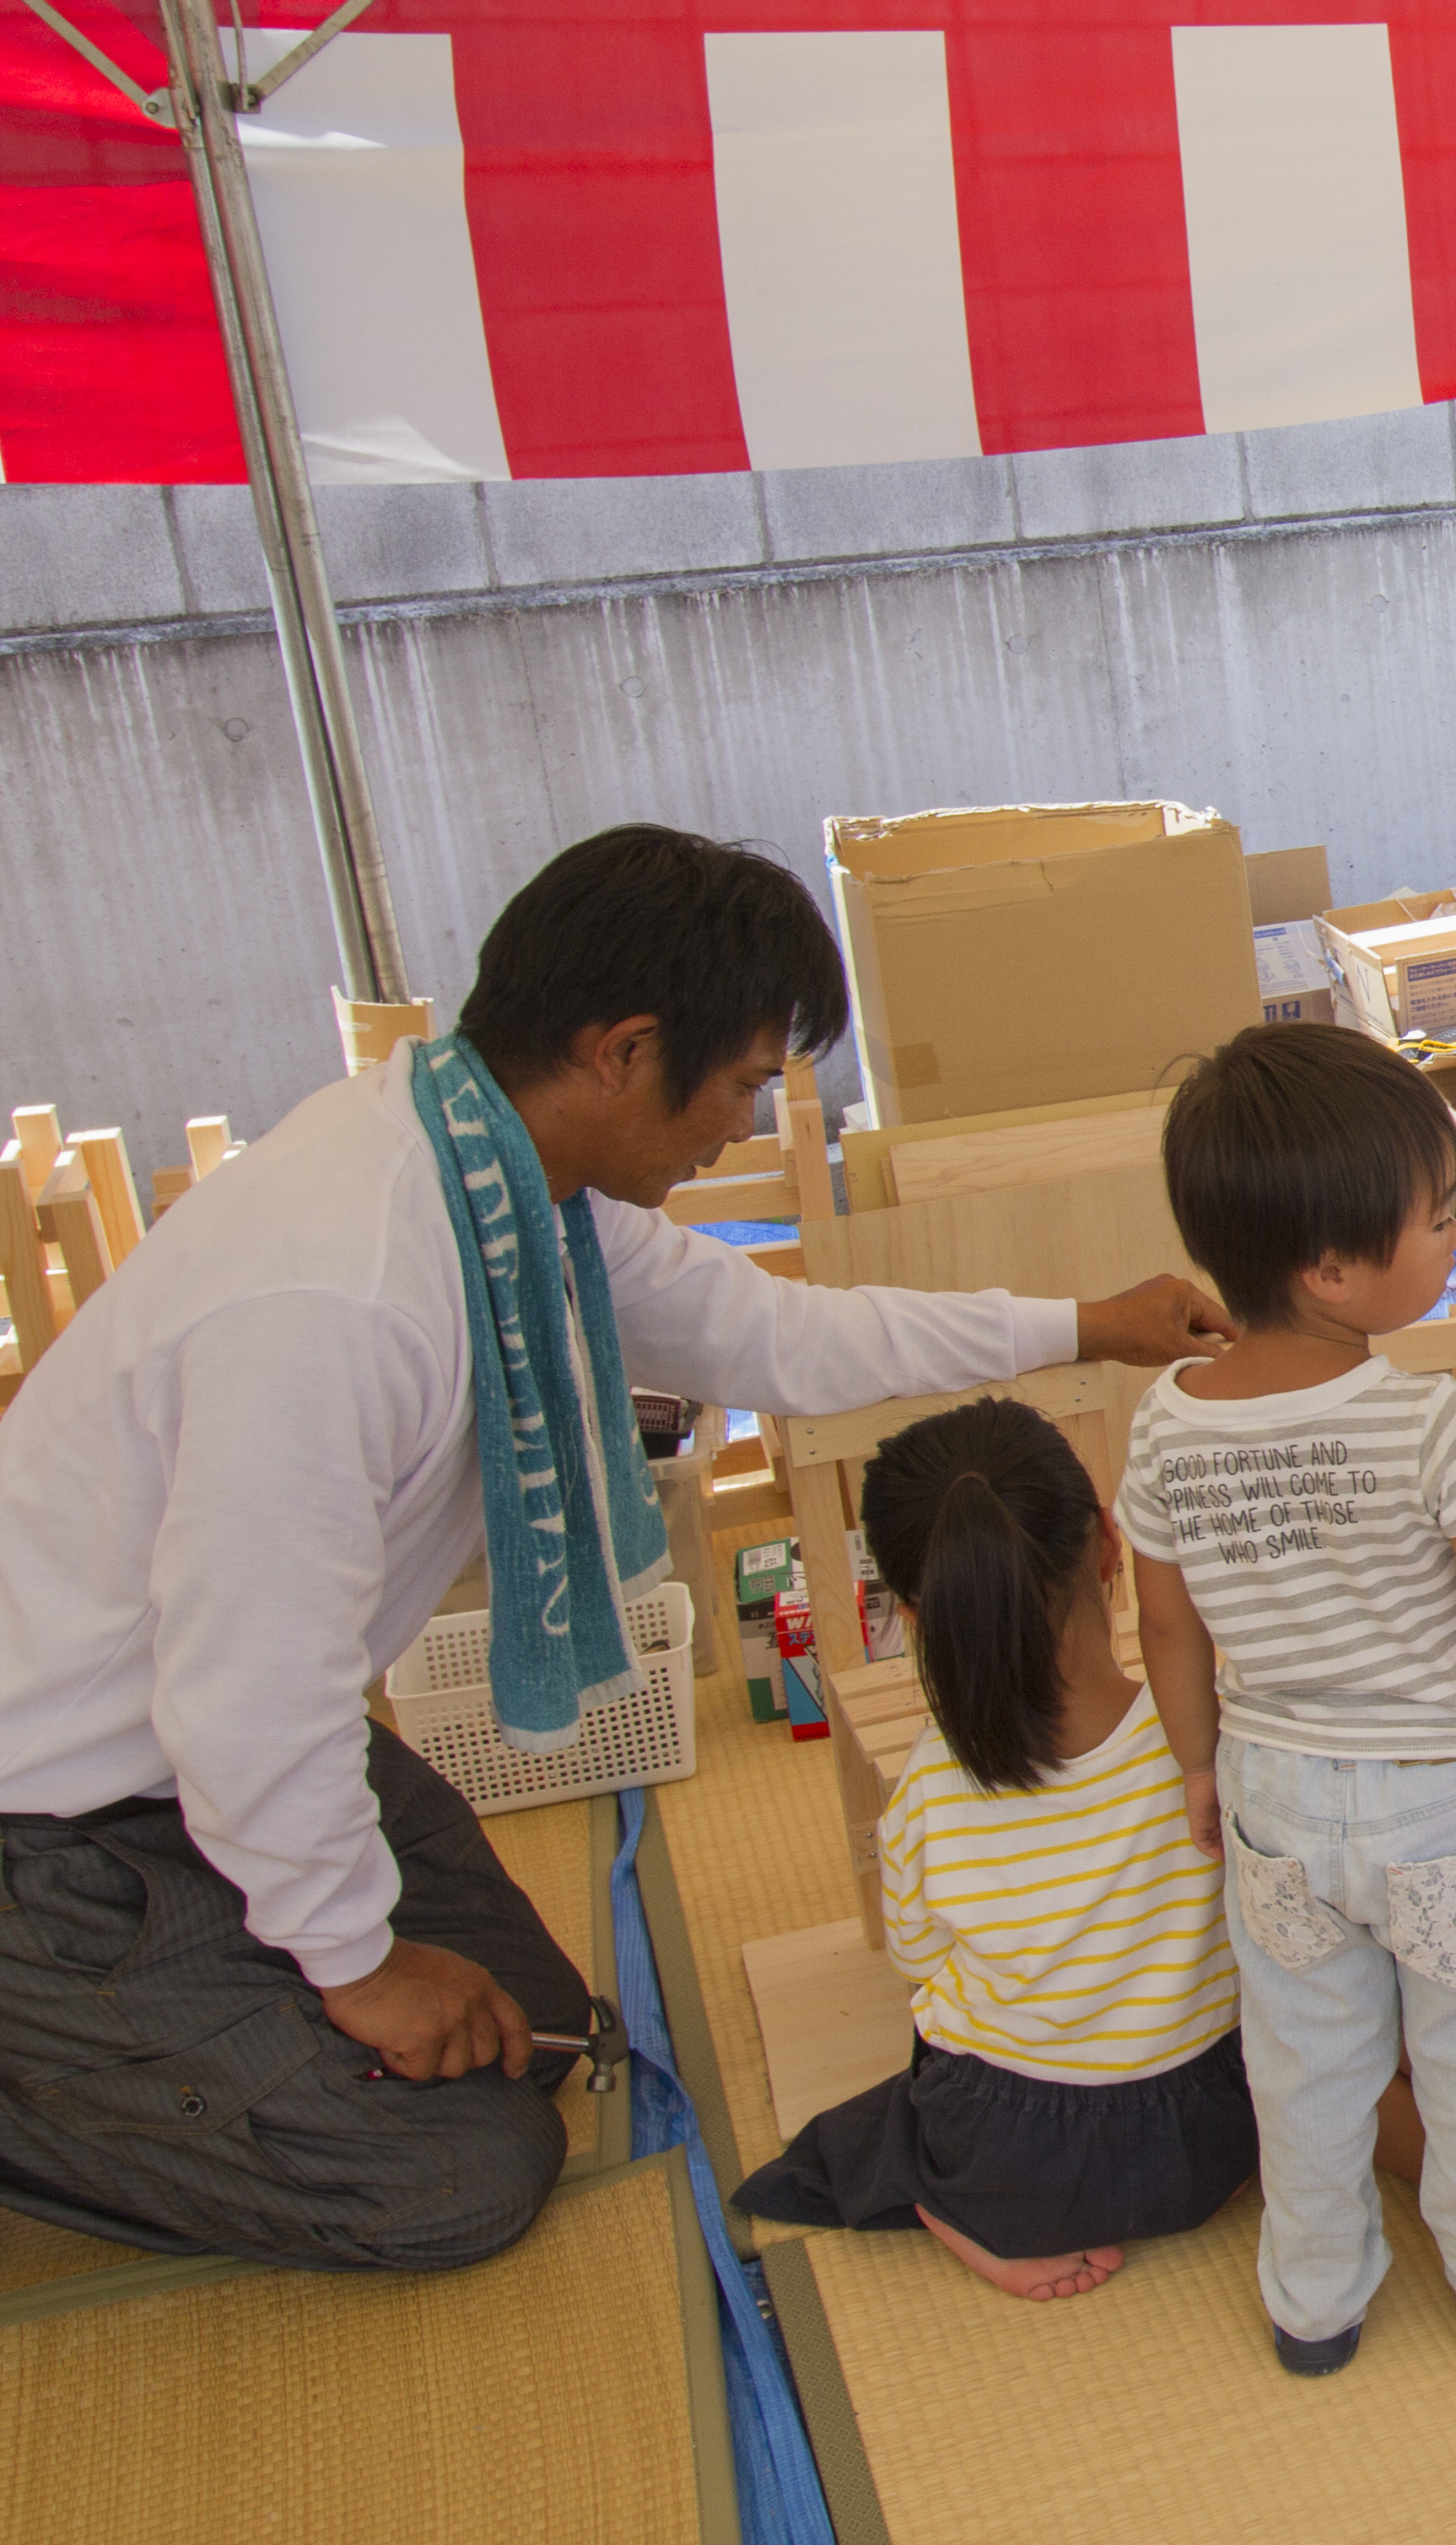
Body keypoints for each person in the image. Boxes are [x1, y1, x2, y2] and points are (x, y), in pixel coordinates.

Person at [0, 828, 1223, 2275]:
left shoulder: (516, 1189)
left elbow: (781, 1337)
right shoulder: (337, 1293)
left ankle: (229, 1968)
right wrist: (357, 1965)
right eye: (742, 1084)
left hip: (231, 1744)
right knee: (464, 2173)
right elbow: (245, 1684)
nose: (739, 1125)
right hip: (61, 1817)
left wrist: (1085, 1322)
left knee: (536, 2033)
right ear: (624, 1049)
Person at [1124, 1023, 1456, 2381]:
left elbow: (1165, 1623)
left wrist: (1200, 1770)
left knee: (1307, 2070)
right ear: (1329, 1266)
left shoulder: (1166, 1422)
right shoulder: (1434, 1424)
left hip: (1273, 1799)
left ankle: (1313, 2304)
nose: (1454, 1238)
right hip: (1449, 1807)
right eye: (1437, 1220)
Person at [733, 1400, 1253, 2299]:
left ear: (912, 1613)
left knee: (891, 2109)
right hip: (1216, 2134)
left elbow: (919, 1964)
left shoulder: (929, 1786)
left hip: (1016, 2152)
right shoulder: (1213, 1738)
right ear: (1108, 1545)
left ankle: (950, 2207)